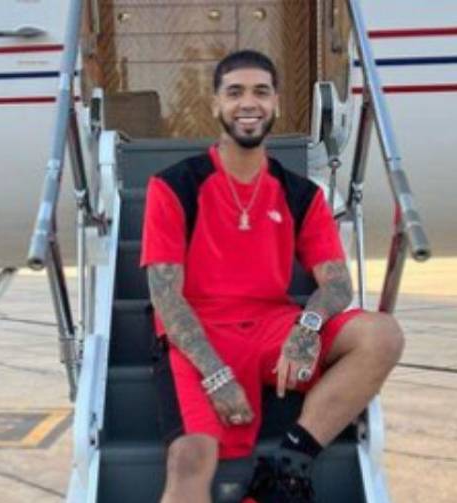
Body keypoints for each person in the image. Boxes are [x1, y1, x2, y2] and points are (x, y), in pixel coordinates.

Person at [141, 50, 404, 503]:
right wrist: (216, 376)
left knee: (382, 334)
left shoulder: (300, 194)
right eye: (235, 92)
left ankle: (289, 465)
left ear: (276, 103)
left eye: (261, 92)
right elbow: (166, 297)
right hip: (199, 331)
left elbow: (337, 283)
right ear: (215, 104)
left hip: (271, 327)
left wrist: (307, 327)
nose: (249, 103)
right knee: (190, 460)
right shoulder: (174, 186)